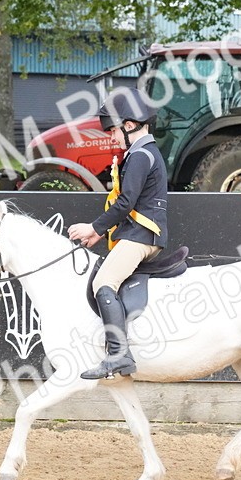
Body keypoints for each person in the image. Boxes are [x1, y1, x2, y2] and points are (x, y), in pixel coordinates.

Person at [68, 87, 168, 379]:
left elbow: (126, 203)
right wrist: (100, 234)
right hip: (138, 233)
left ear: (129, 125)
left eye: (113, 131)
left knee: (103, 282)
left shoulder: (140, 156)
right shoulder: (143, 153)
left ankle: (119, 354)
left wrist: (94, 227)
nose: (111, 137)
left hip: (142, 236)